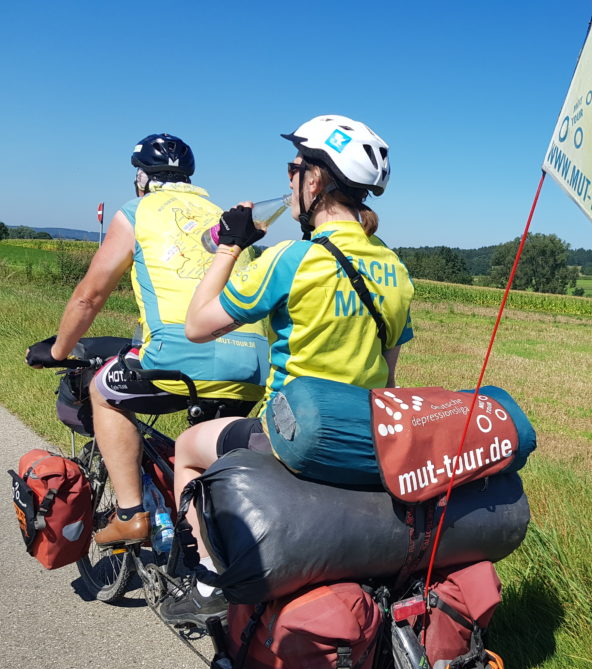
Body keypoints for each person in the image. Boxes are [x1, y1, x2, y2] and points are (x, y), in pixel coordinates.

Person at [161, 115, 414, 624]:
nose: (289, 179)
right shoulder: (396, 270)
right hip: (364, 435)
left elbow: (197, 324)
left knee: (187, 451)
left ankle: (210, 581)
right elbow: (386, 379)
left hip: (290, 432)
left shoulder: (293, 259)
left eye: (294, 167)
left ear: (314, 181)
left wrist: (231, 245)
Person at [25, 134, 269, 549]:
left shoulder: (136, 211)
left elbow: (90, 294)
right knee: (205, 452)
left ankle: (130, 514)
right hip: (252, 365)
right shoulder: (221, 214)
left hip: (178, 356)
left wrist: (57, 350)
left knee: (105, 391)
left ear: (140, 176)